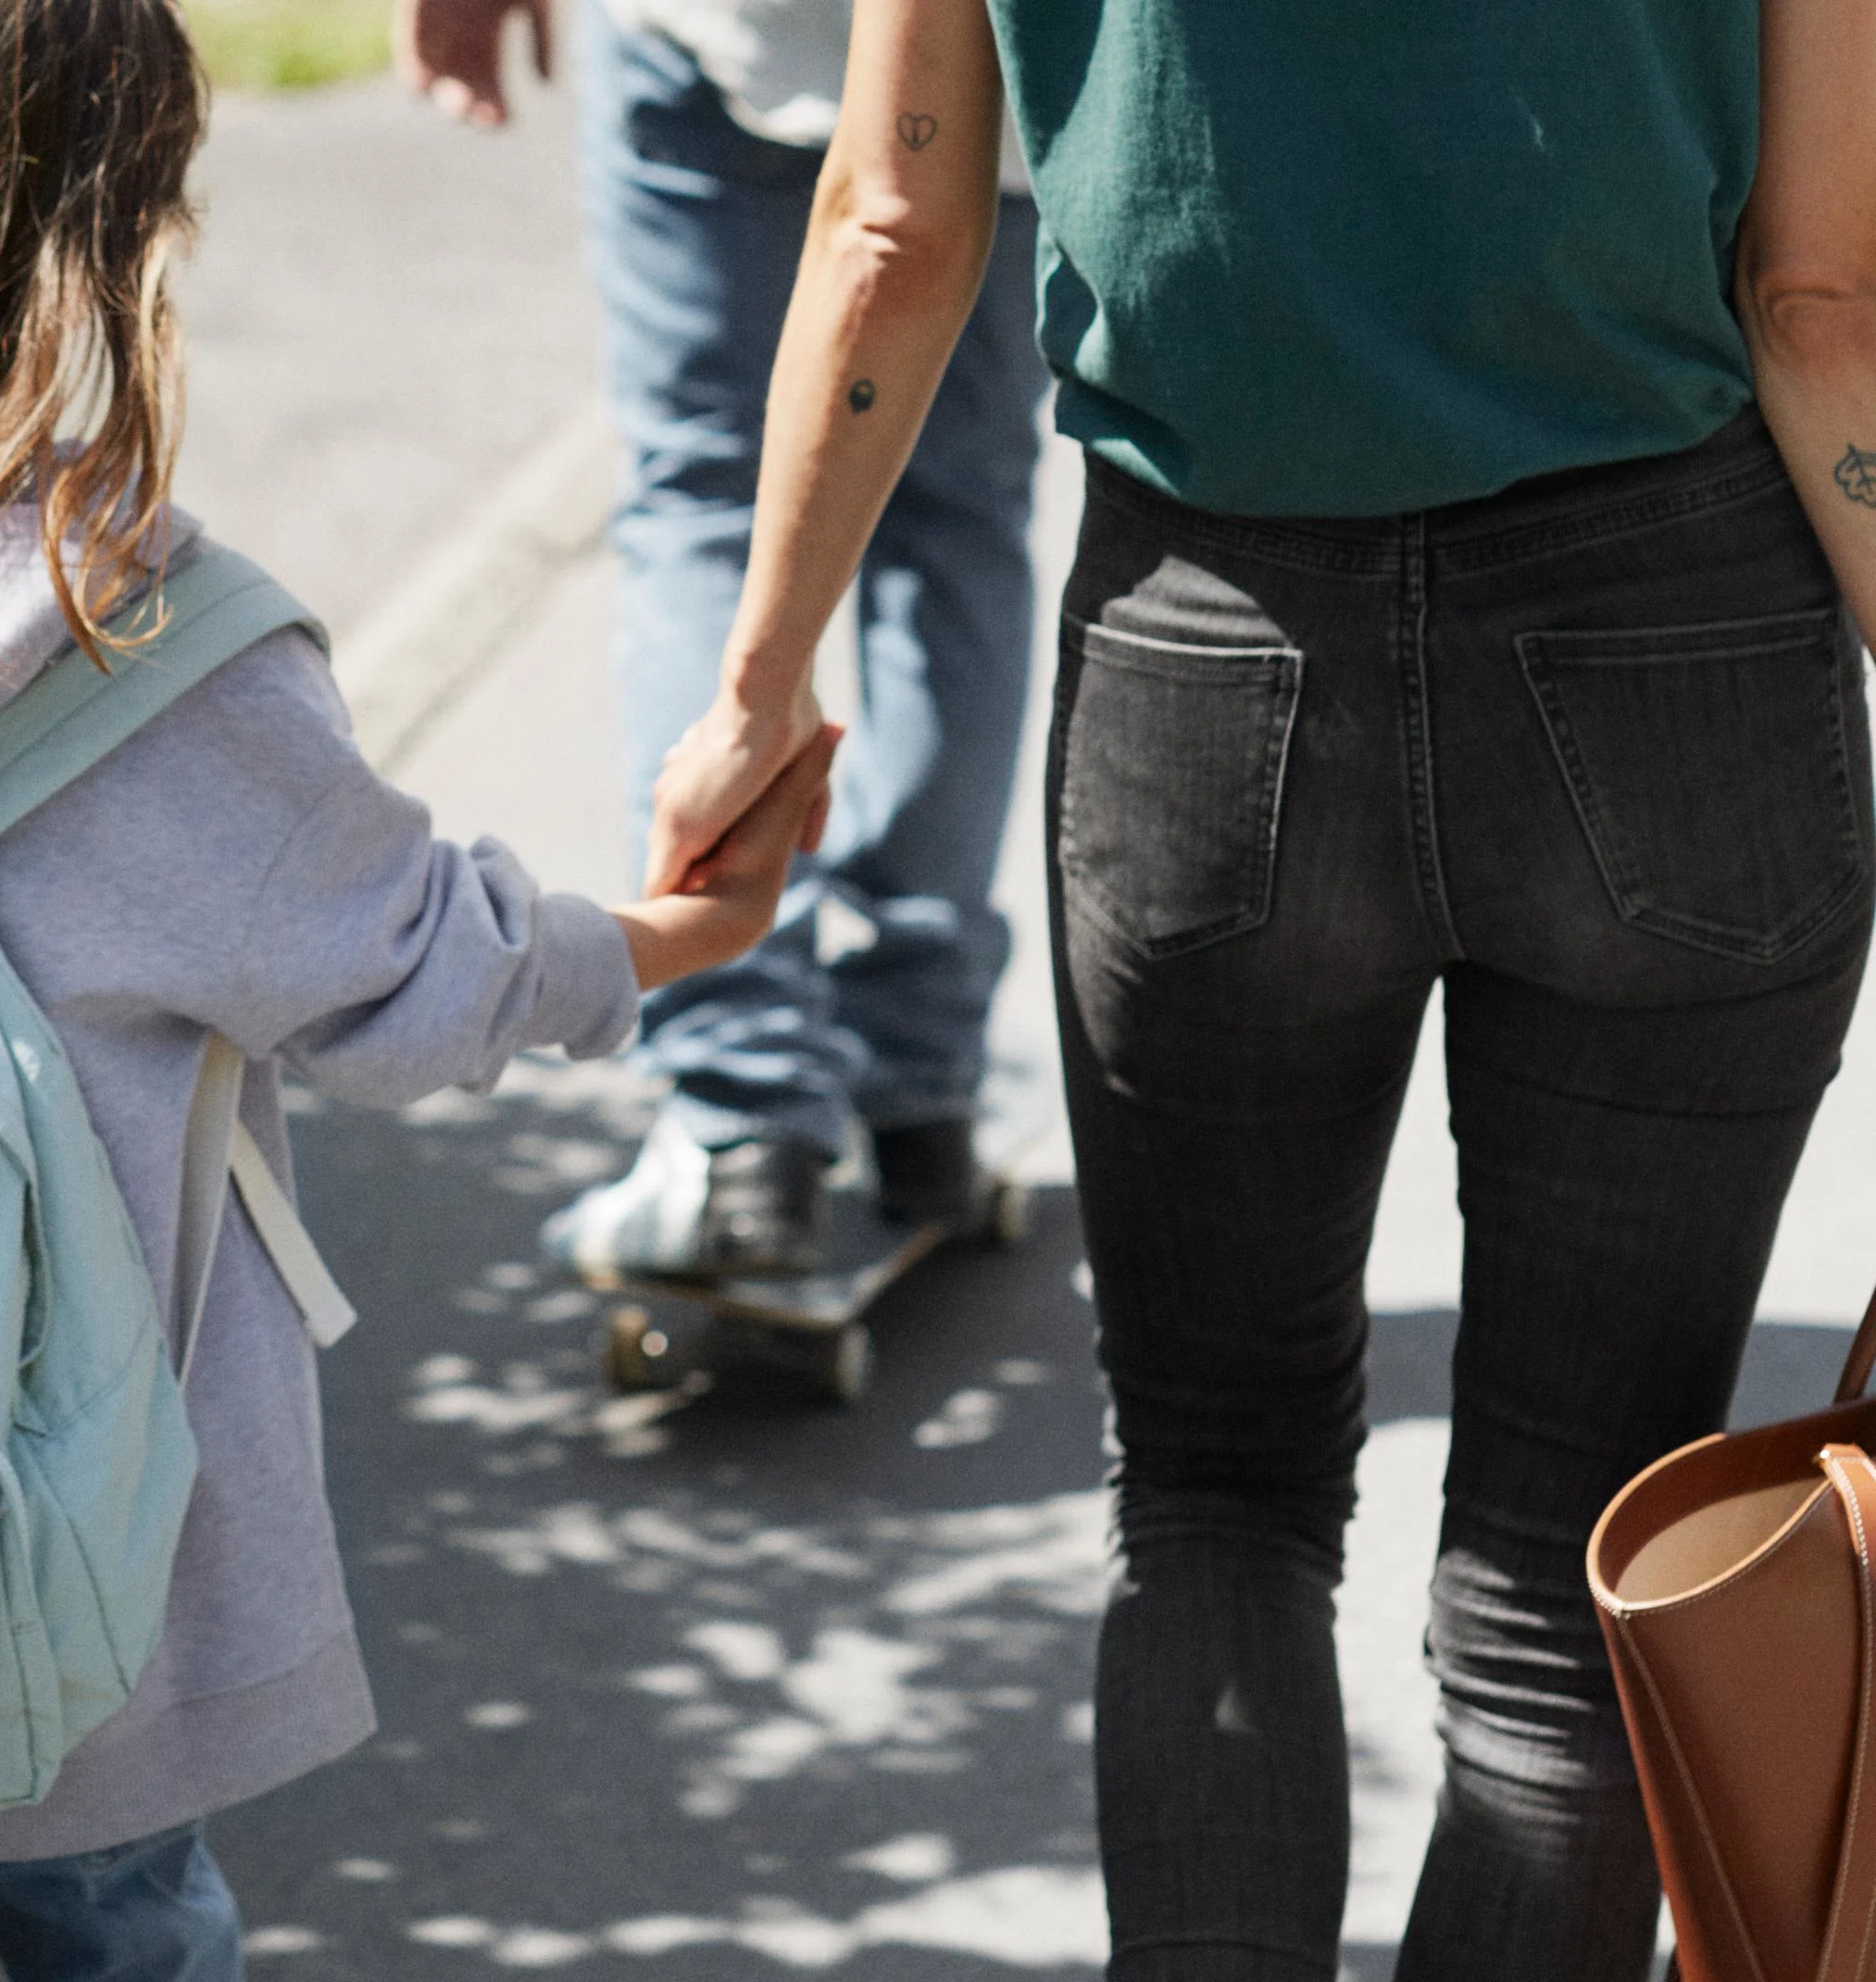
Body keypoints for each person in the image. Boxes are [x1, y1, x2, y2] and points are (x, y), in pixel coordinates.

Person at [0, 3, 836, 1974]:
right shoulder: (144, 651)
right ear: (115, 227)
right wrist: (678, 938)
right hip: (72, 1556)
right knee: (118, 1923)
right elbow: (414, 976)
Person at [627, 0, 1876, 1969]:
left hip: (1205, 650)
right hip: (1675, 636)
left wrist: (759, 685)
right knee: (1574, 1572)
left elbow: (892, 221)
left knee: (1214, 1502)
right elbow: (1816, 294)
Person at [399, 0, 1050, 1275]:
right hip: (993, 62)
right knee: (956, 530)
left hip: (722, 27)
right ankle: (917, 1078)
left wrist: (761, 694)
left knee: (704, 495)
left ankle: (742, 1112)